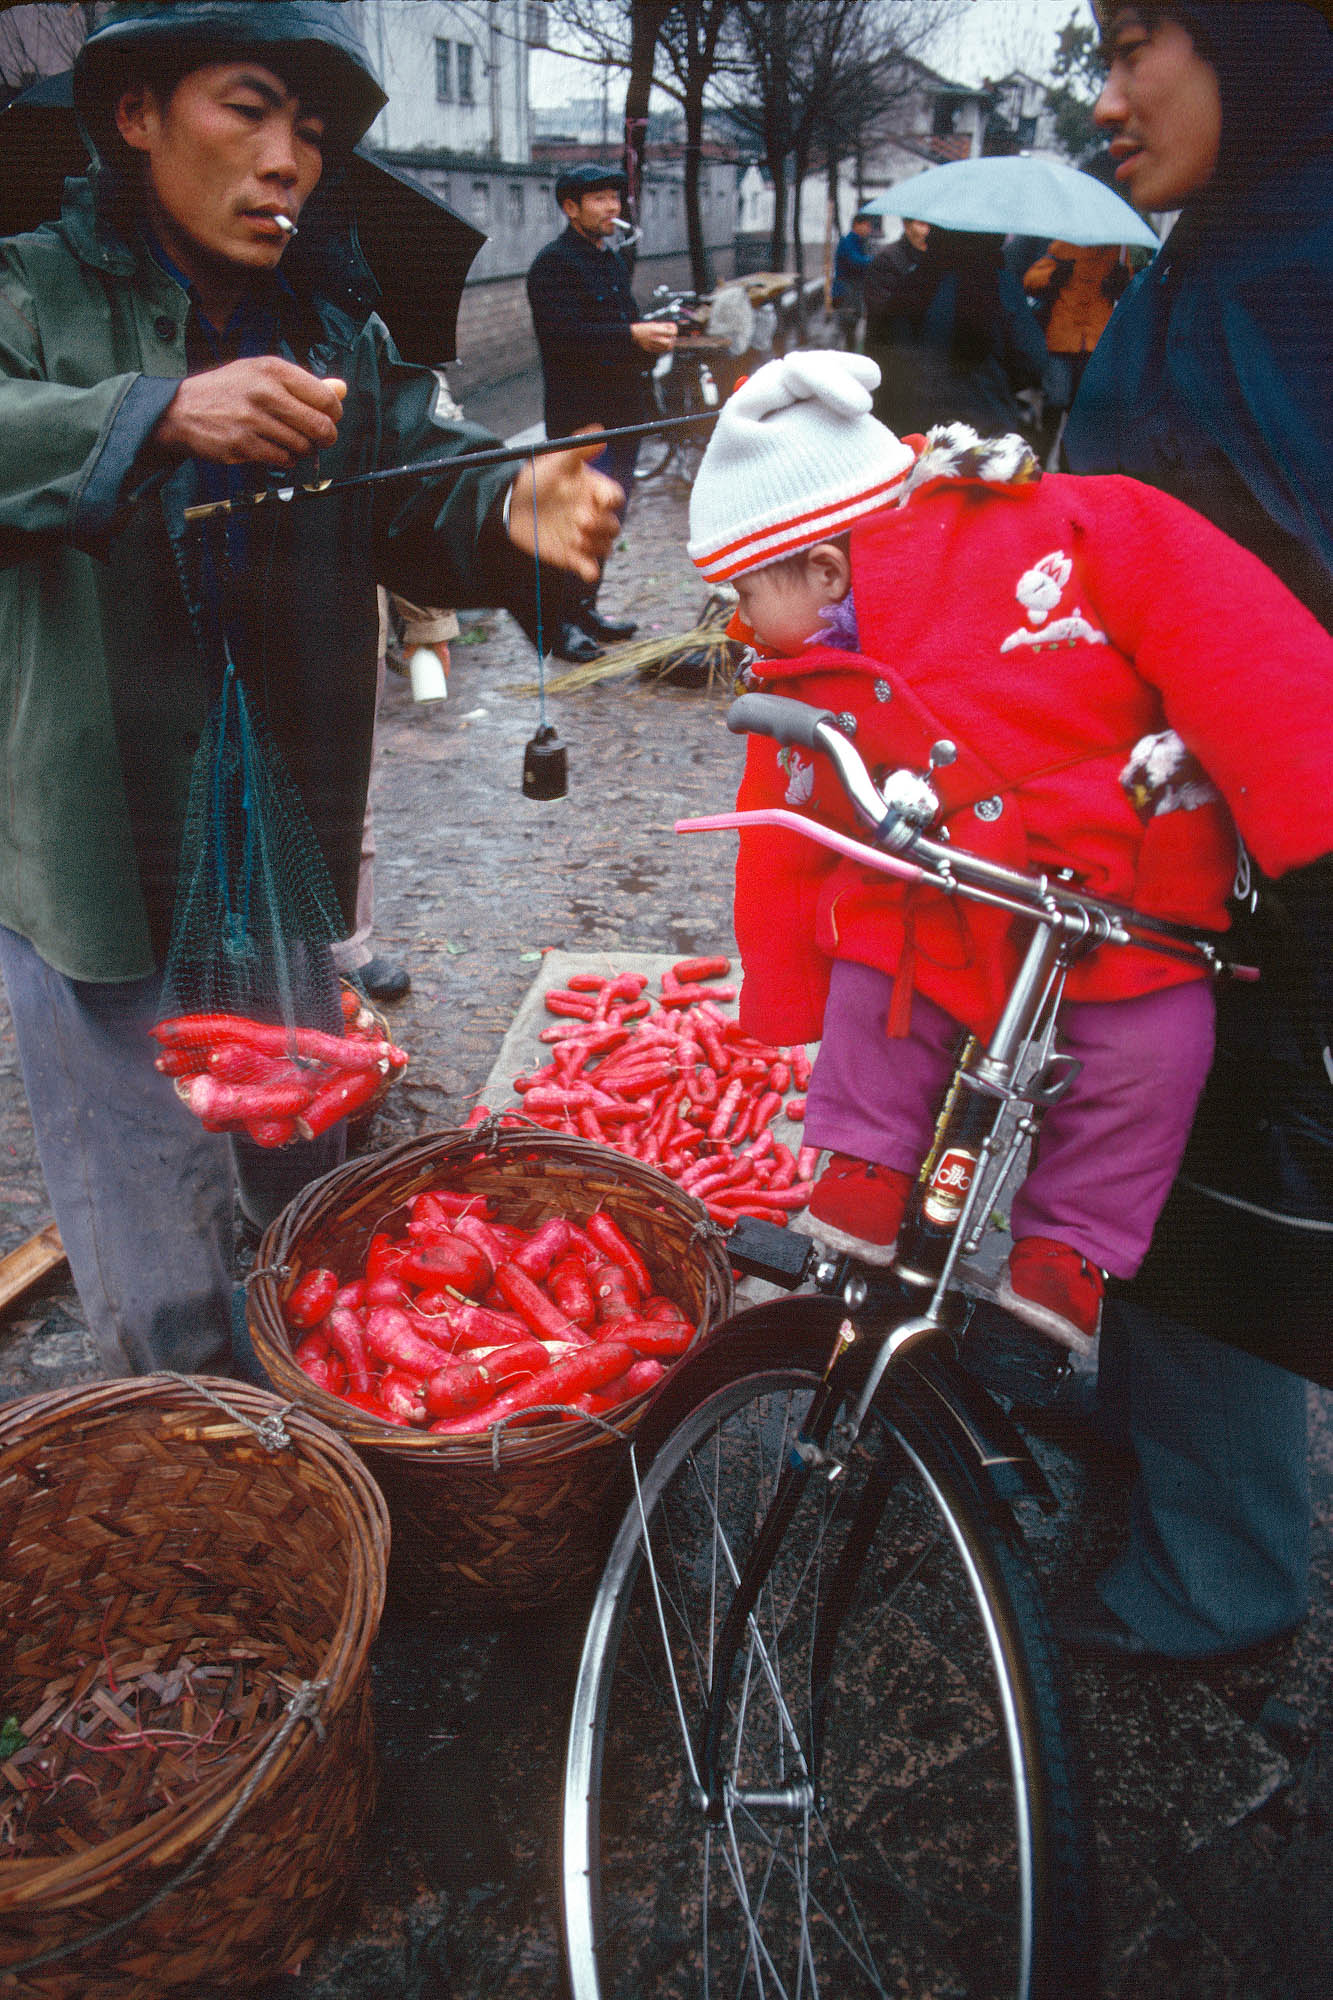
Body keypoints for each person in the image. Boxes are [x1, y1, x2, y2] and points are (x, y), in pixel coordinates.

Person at [0, 2, 622, 1380]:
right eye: (249, 108)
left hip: (272, 822)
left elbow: (426, 479)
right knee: (152, 1209)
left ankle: (318, 1399)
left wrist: (510, 509)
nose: (287, 157)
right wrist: (155, 412)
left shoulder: (334, 329)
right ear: (136, 115)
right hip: (97, 834)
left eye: (313, 131)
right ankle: (202, 1438)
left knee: (301, 1154)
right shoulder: (32, 295)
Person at [684, 349, 1333, 1355]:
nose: (739, 621)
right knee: (875, 969)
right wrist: (786, 980)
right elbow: (787, 823)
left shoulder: (1075, 525)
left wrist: (1303, 800)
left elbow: (1224, 627)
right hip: (940, 893)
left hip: (1123, 884)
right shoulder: (812, 668)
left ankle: (1067, 1248)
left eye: (742, 590)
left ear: (822, 570)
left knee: (1154, 1049)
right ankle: (866, 1163)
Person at [1054, 0, 1333, 1661]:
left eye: (1136, 44)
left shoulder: (1286, 281)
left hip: (1250, 854)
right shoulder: (1227, 250)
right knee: (1151, 1145)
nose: (1106, 96)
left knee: (1209, 1168)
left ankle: (1218, 1572)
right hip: (1179, 829)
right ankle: (1165, 1460)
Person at [526, 162, 675, 664]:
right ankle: (558, 625)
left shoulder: (609, 259)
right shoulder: (552, 265)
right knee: (575, 517)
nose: (613, 208)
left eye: (615, 198)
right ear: (571, 208)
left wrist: (648, 339)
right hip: (581, 418)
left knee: (608, 514)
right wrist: (631, 336)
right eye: (600, 199)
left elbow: (619, 325)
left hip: (622, 413)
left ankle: (585, 609)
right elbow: (562, 340)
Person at [863, 223, 1052, 443]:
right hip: (986, 425)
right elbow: (1033, 361)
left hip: (917, 428)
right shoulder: (1002, 286)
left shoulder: (914, 281)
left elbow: (887, 352)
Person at [830, 209, 876, 350]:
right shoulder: (847, 242)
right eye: (867, 226)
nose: (869, 229)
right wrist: (875, 260)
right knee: (847, 332)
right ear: (857, 225)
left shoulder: (862, 243)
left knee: (853, 329)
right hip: (845, 293)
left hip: (855, 293)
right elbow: (857, 262)